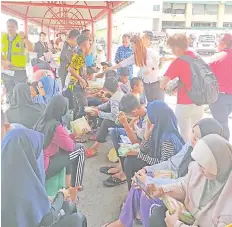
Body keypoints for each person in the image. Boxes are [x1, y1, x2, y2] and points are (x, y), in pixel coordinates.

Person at [101, 118, 224, 227]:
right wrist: (147, 170)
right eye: (192, 132)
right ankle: (124, 220)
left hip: (183, 190)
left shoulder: (207, 161)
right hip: (176, 179)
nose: (192, 138)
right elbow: (172, 163)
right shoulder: (189, 145)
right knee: (139, 181)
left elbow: (185, 183)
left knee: (145, 191)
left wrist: (151, 181)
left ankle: (130, 215)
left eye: (197, 137)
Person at [1, 110, 87, 227]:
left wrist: (45, 198)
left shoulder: (9, 170)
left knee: (69, 206)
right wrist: (60, 195)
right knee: (78, 218)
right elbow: (46, 219)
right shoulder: (23, 184)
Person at [148, 134, 232, 227]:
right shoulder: (198, 169)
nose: (200, 170)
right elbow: (185, 187)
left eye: (204, 166)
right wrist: (161, 190)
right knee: (158, 216)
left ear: (219, 166)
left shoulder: (228, 202)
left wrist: (176, 225)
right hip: (188, 217)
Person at [33, 95, 85, 202]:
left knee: (70, 152)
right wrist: (75, 135)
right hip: (46, 167)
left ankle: (69, 185)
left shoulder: (41, 120)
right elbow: (70, 146)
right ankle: (75, 188)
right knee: (80, 150)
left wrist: (71, 136)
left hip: (38, 163)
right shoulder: (55, 126)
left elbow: (61, 141)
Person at [160, 34, 204, 142]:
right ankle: (197, 156)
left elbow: (163, 84)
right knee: (196, 134)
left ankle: (187, 156)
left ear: (177, 48)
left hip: (185, 104)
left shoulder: (179, 61)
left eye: (172, 48)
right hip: (200, 102)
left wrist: (168, 89)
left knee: (184, 135)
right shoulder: (197, 56)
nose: (172, 50)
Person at [101, 94, 147, 187]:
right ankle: (121, 168)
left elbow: (137, 142)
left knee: (128, 158)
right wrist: (131, 123)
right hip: (139, 137)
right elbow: (133, 130)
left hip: (145, 146)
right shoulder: (141, 112)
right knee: (115, 132)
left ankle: (124, 174)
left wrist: (125, 123)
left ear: (133, 112)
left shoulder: (148, 120)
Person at [108, 35, 164, 102]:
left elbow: (158, 63)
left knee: (159, 103)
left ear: (138, 44)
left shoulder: (150, 52)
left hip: (156, 82)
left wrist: (151, 69)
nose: (132, 48)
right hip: (146, 82)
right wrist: (110, 68)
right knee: (150, 103)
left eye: (133, 46)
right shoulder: (135, 56)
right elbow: (123, 63)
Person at [86, 77, 124, 158]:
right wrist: (97, 108)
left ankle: (96, 147)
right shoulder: (118, 93)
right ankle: (98, 139)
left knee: (106, 122)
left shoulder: (115, 98)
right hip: (122, 117)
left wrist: (99, 113)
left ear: (106, 89)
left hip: (124, 121)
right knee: (105, 116)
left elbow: (114, 116)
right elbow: (108, 104)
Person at [1, 18, 33, 97]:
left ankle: (21, 107)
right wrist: (5, 61)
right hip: (6, 71)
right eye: (8, 26)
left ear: (17, 28)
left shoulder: (21, 38)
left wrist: (25, 38)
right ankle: (12, 107)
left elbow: (31, 49)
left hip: (19, 71)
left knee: (21, 92)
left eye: (12, 26)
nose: (10, 28)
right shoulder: (3, 38)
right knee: (9, 93)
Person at [209, 33, 232, 140]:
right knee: (224, 121)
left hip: (219, 97)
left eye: (218, 42)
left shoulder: (215, 58)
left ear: (223, 44)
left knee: (221, 124)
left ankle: (224, 150)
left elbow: (206, 79)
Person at [67, 34, 90, 118]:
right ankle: (79, 128)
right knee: (83, 108)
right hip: (77, 85)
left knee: (77, 108)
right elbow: (70, 69)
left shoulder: (79, 52)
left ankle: (75, 127)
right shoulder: (79, 54)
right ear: (84, 44)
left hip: (76, 84)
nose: (89, 45)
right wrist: (81, 80)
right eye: (88, 43)